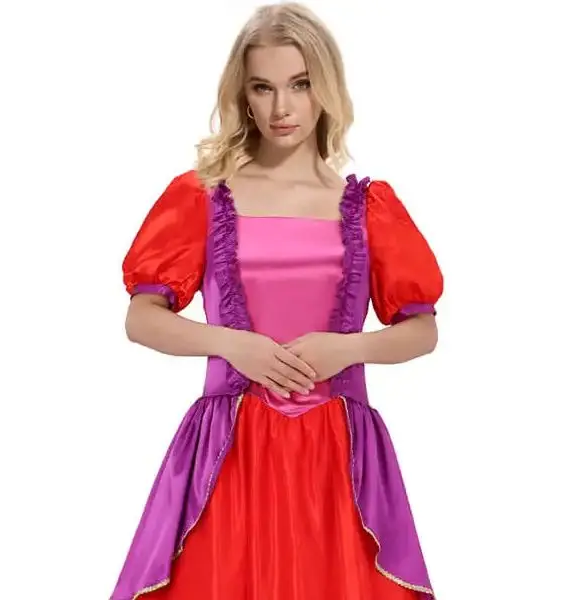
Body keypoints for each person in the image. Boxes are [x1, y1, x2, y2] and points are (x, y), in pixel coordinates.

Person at [109, 2, 443, 599]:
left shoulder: (369, 207)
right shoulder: (202, 196)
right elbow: (141, 318)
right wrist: (232, 345)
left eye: (300, 84)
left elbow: (422, 330)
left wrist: (346, 349)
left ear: (326, 89)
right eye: (262, 87)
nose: (280, 107)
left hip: (337, 450)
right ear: (242, 95)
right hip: (230, 448)